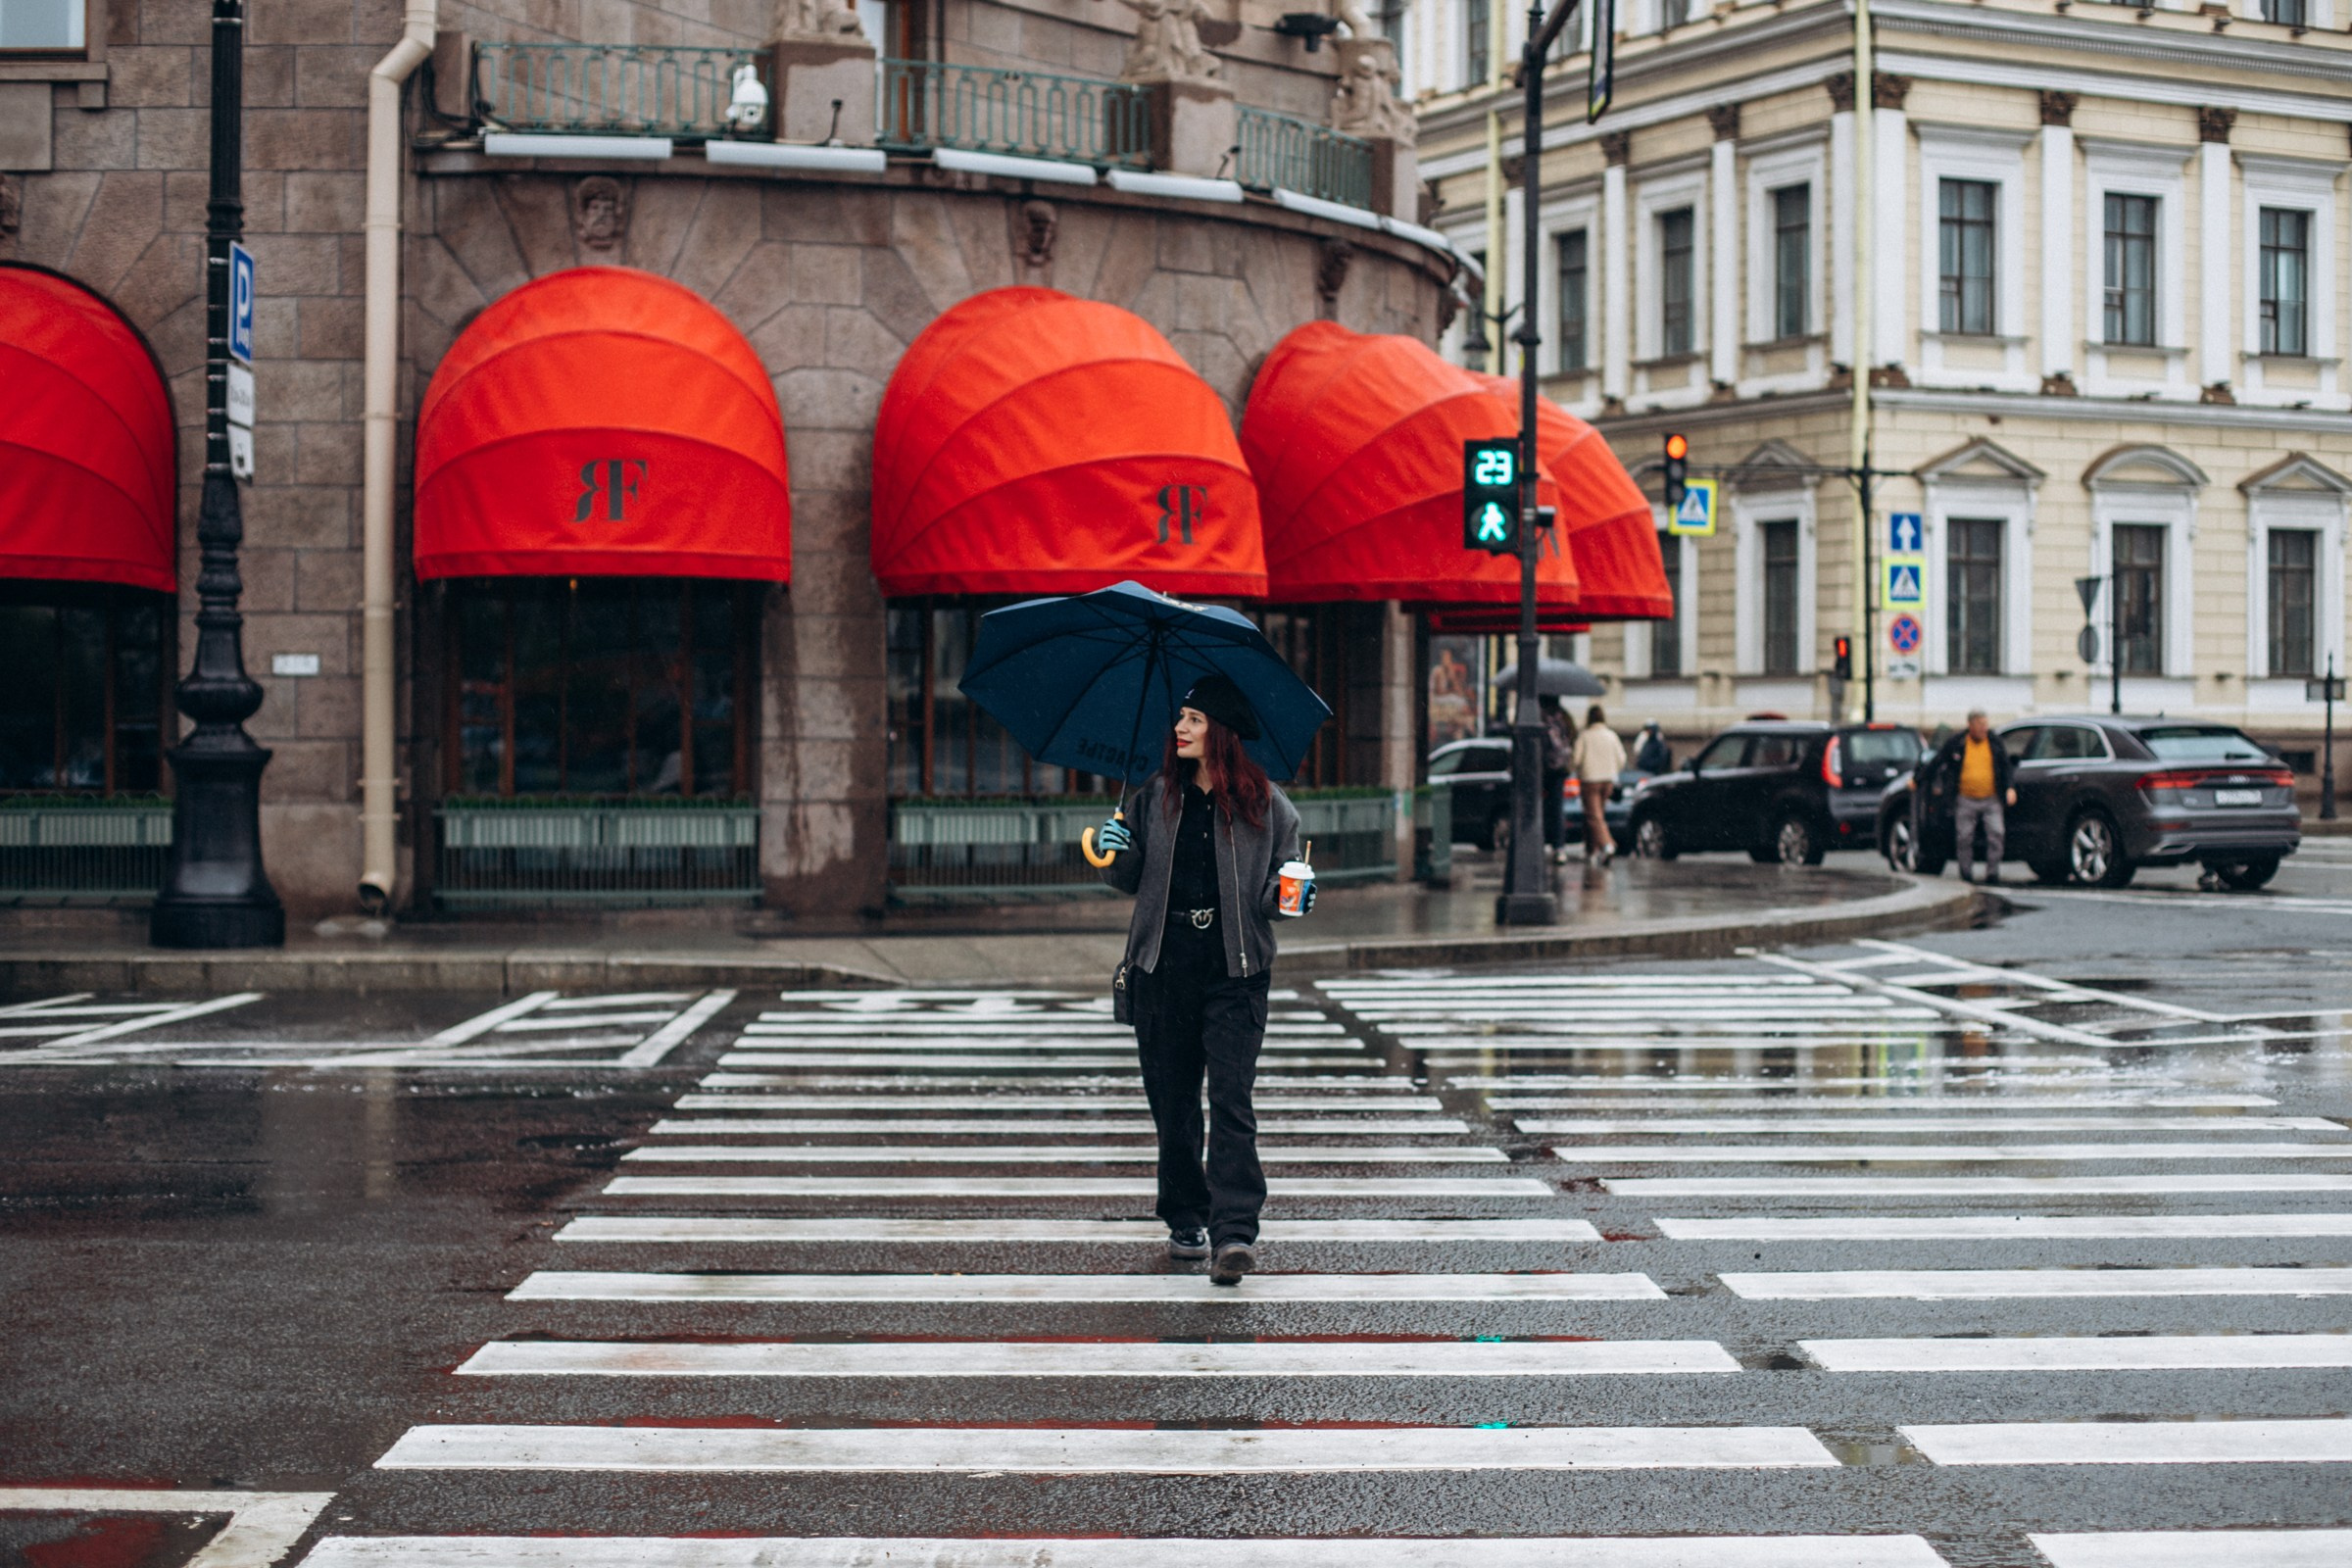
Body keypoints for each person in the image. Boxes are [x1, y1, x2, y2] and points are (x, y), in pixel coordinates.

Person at [1094, 674, 1310, 1287]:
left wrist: (1292, 895)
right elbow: (1130, 878)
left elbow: (1276, 895)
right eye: (1180, 718)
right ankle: (1186, 1216)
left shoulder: (1269, 806)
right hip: (1162, 969)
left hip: (1235, 974)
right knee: (1173, 1104)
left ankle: (1234, 1232)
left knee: (1231, 1102)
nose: (1181, 728)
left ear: (1221, 730)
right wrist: (1115, 853)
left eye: (1193, 718)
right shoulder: (1154, 796)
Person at [1924, 708, 2017, 885]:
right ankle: (1966, 874)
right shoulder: (1958, 742)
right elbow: (1938, 761)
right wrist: (1918, 779)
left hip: (1991, 798)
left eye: (1986, 724)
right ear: (1970, 725)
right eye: (1980, 724)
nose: (1984, 728)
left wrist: (2010, 788)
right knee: (1964, 837)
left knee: (1996, 833)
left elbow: (2006, 767)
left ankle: (1992, 873)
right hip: (1965, 798)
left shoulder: (1994, 742)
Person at [1572, 704, 1627, 864]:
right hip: (1608, 780)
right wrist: (1611, 770)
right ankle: (1590, 850)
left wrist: (1580, 769)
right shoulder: (1611, 735)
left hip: (1590, 780)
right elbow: (1622, 759)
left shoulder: (1585, 736)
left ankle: (1607, 845)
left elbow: (1576, 759)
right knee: (1595, 815)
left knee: (1594, 816)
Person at [1539, 696, 1576, 862]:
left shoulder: (1541, 716)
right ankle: (1559, 847)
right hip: (1560, 769)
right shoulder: (1565, 717)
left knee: (1539, 807)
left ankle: (1542, 843)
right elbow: (1573, 737)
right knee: (1557, 807)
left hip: (1544, 768)